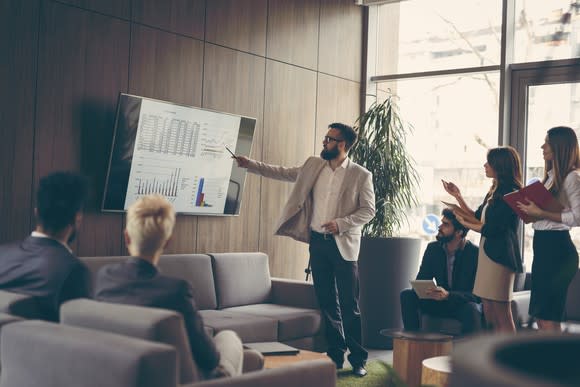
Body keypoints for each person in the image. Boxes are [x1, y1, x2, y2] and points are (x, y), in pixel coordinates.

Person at [234, 122, 375, 377]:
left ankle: (358, 359)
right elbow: (284, 172)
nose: (324, 142)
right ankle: (334, 354)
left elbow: (368, 210)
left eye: (329, 139)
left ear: (342, 144)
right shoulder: (314, 165)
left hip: (344, 246)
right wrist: (250, 164)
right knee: (327, 302)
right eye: (325, 137)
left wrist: (341, 224)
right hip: (318, 243)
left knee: (349, 304)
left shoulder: (361, 174)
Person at [94, 194, 243, 379]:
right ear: (167, 241)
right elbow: (209, 358)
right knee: (229, 337)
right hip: (183, 379)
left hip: (125, 374)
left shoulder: (105, 279)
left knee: (252, 358)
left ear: (127, 237)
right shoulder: (175, 291)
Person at [443, 146, 524, 332]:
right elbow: (477, 216)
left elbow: (493, 229)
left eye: (489, 162)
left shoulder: (511, 193)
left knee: (502, 312)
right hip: (488, 254)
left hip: (500, 257)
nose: (485, 165)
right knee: (488, 309)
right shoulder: (494, 192)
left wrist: (465, 222)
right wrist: (458, 197)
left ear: (499, 165)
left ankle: (510, 358)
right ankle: (493, 353)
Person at [0, 171, 91, 321]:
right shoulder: (73, 270)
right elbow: (82, 329)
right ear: (77, 218)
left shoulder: (2, 254)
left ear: (37, 212)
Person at [517, 126, 580, 331]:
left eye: (547, 143)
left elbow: (577, 218)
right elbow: (542, 216)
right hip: (543, 247)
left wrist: (541, 213)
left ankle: (556, 363)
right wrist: (529, 213)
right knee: (540, 317)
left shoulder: (572, 177)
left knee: (548, 316)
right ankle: (550, 361)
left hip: (558, 250)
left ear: (559, 147)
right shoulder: (551, 177)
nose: (542, 147)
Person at [400, 209, 482, 334]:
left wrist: (448, 295)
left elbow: (477, 296)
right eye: (441, 222)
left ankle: (467, 351)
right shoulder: (433, 249)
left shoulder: (474, 254)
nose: (440, 227)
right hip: (438, 302)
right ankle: (413, 343)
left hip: (459, 304)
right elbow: (422, 279)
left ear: (459, 232)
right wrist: (426, 290)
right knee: (407, 295)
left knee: (472, 309)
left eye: (446, 224)